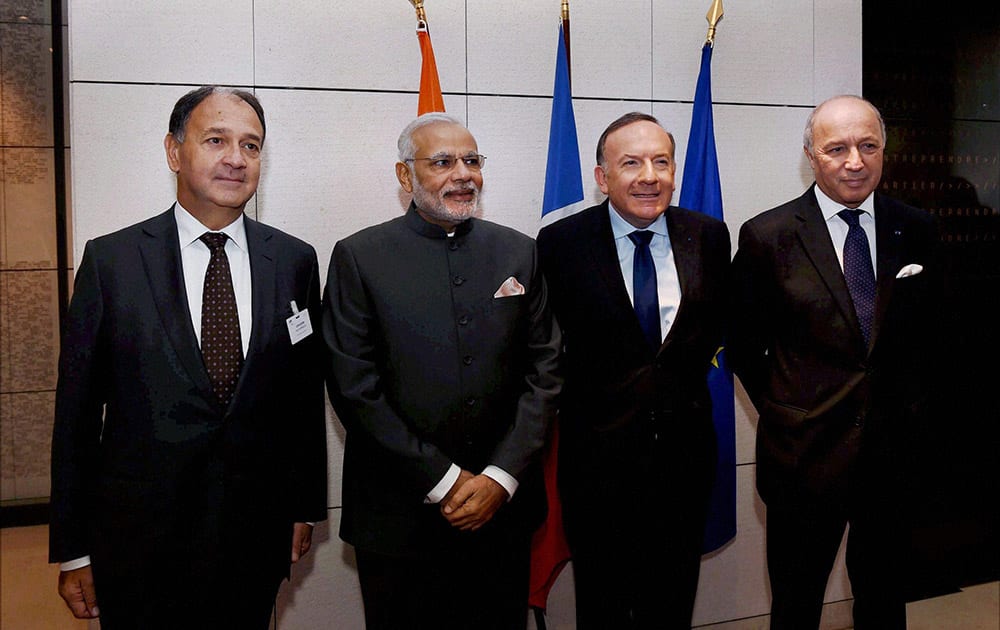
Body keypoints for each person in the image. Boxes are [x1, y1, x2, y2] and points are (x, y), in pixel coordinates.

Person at [48, 86, 328, 629]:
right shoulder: (112, 261)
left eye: (251, 146)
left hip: (254, 535)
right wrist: (75, 548)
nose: (235, 158)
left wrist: (303, 506)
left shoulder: (293, 260)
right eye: (216, 140)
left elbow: (300, 396)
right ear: (175, 152)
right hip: (138, 543)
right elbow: (77, 416)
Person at [322, 113, 562, 630]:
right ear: (405, 176)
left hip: (504, 512)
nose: (463, 173)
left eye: (472, 161)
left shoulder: (519, 251)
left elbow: (546, 371)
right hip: (398, 519)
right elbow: (354, 387)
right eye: (443, 162)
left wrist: (499, 478)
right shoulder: (359, 257)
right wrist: (445, 480)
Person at [728, 95, 939, 629]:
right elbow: (744, 343)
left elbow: (934, 335)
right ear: (810, 155)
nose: (855, 161)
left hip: (893, 454)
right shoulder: (767, 236)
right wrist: (786, 408)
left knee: (885, 599)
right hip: (804, 456)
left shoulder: (915, 227)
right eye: (837, 148)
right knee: (797, 604)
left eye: (869, 146)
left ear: (884, 151)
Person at [536, 112, 730, 628]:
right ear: (602, 178)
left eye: (661, 161)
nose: (650, 175)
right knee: (601, 609)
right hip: (596, 470)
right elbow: (545, 351)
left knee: (670, 608)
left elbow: (710, 333)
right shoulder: (560, 245)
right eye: (631, 163)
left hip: (684, 467)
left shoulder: (708, 236)